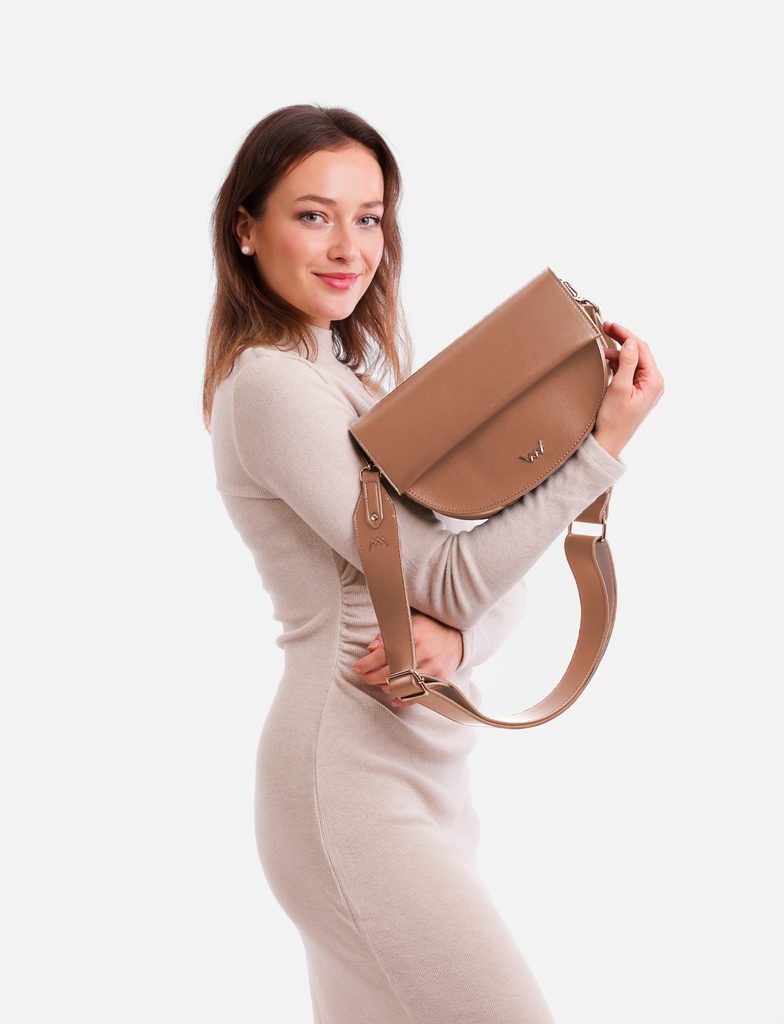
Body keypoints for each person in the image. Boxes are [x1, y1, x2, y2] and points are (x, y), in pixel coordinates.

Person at [203, 104, 664, 1024]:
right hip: (351, 785)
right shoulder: (272, 389)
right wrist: (598, 450)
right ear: (245, 229)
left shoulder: (349, 385)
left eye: (369, 217)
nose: (350, 248)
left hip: (418, 775)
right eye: (314, 214)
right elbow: (451, 577)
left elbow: (486, 586)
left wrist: (452, 643)